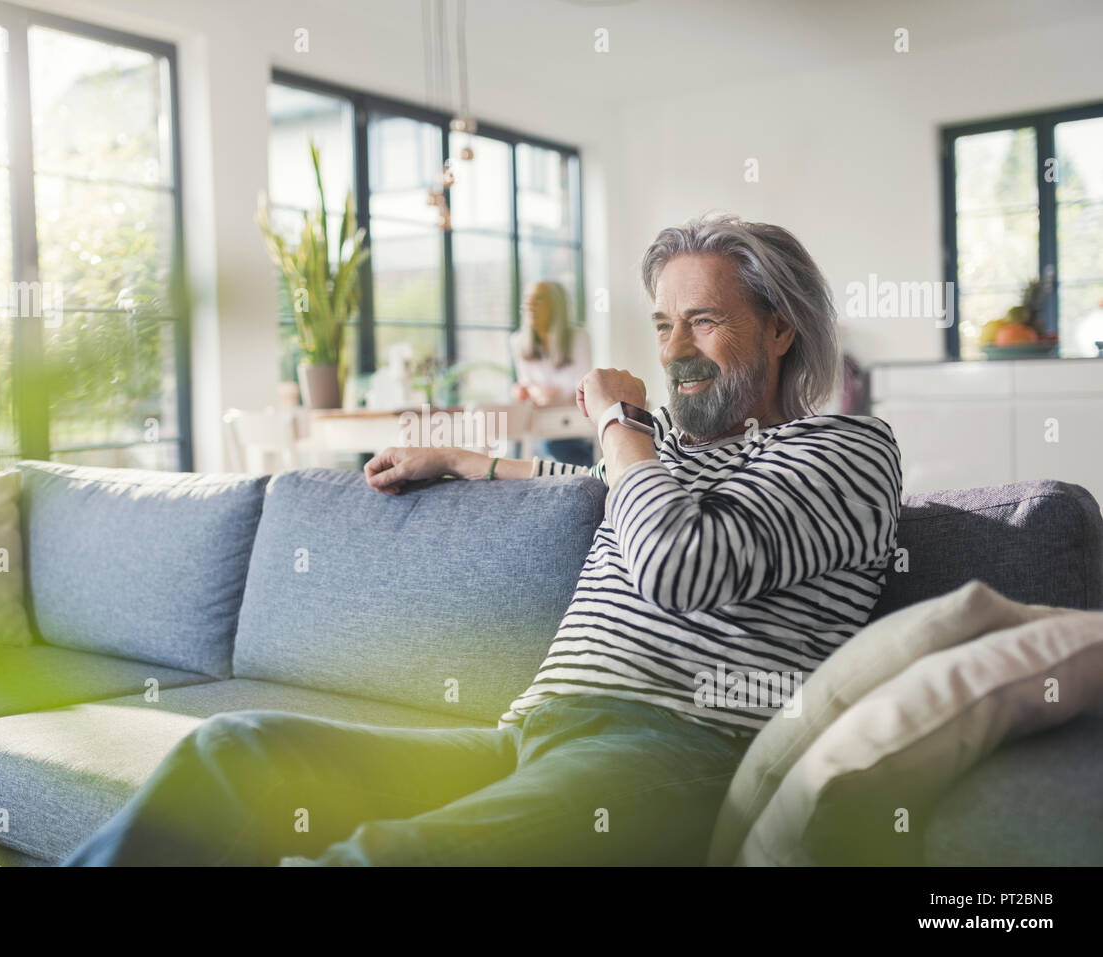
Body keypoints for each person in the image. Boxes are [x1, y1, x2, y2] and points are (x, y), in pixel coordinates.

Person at [63, 212, 902, 867]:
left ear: (781, 329)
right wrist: (464, 460)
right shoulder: (662, 461)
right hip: (528, 733)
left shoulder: (846, 452)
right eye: (662, 326)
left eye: (704, 321)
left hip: (671, 753)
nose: (674, 351)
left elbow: (677, 560)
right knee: (232, 749)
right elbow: (592, 493)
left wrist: (619, 420)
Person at [510, 281, 594, 467]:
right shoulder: (518, 342)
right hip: (540, 425)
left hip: (575, 423)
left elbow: (581, 385)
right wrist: (527, 392)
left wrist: (541, 393)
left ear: (556, 305)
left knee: (558, 447)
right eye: (527, 300)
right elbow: (526, 385)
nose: (530, 305)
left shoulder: (578, 337)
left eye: (538, 299)